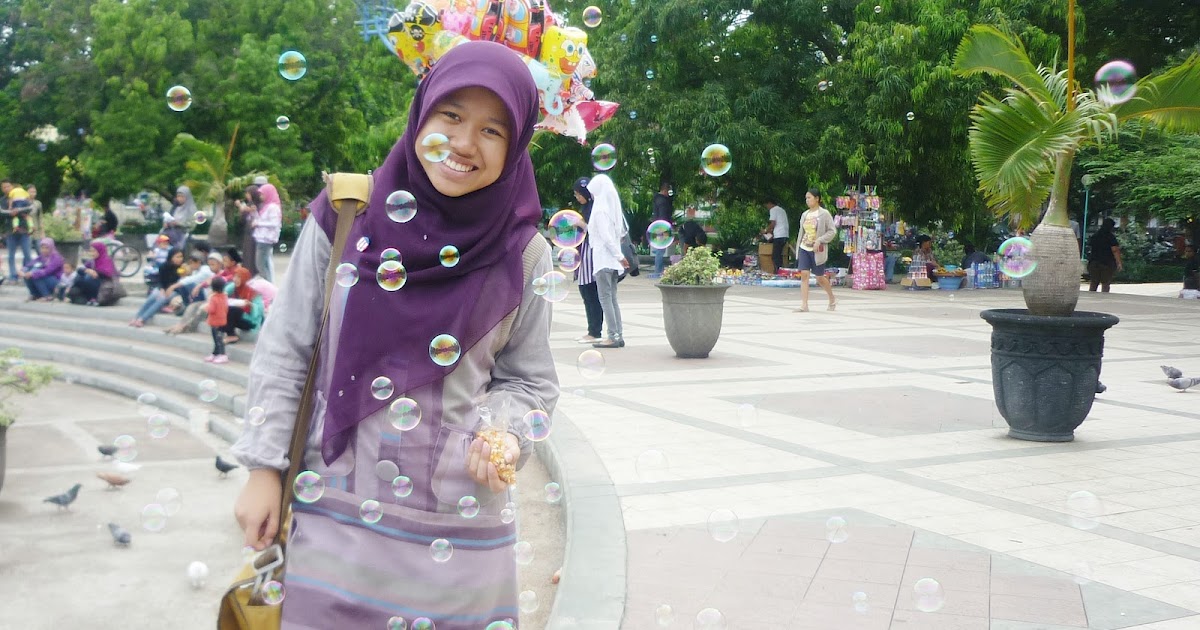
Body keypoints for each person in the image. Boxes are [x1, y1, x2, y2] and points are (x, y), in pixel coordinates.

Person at [231, 42, 558, 629]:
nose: (464, 143)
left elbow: (528, 382)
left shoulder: (525, 254)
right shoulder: (344, 215)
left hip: (462, 543)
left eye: (492, 130)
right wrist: (263, 469)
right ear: (422, 113)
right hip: (332, 520)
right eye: (451, 115)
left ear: (516, 147)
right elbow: (286, 350)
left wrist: (506, 433)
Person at [587, 174, 628, 348]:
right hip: (612, 263)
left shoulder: (600, 210)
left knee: (605, 299)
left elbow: (605, 238)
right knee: (612, 299)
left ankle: (612, 336)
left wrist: (620, 256)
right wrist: (618, 257)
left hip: (604, 260)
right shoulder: (611, 211)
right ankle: (618, 335)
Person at [794, 188, 838, 312]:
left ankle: (832, 298)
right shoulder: (805, 214)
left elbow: (832, 231)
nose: (807, 200)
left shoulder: (824, 214)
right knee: (804, 274)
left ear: (817, 198)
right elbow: (802, 232)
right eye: (806, 198)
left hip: (817, 250)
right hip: (804, 247)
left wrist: (820, 240)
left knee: (819, 277)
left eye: (809, 198)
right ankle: (804, 305)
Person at [572, 178, 603, 343]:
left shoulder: (596, 209)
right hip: (585, 255)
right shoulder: (586, 209)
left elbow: (599, 232)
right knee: (586, 292)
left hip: (593, 256)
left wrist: (583, 225)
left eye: (579, 194)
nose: (577, 197)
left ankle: (595, 332)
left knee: (591, 293)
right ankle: (592, 330)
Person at [129, 248, 184, 327]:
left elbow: (181, 283)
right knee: (153, 297)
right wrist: (162, 289)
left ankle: (142, 319)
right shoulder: (164, 266)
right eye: (177, 257)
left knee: (161, 299)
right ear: (171, 257)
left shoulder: (183, 268)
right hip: (162, 288)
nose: (180, 259)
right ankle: (136, 317)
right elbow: (160, 280)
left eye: (181, 257)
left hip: (175, 291)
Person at [221, 267, 264, 344]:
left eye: (239, 277)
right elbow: (223, 293)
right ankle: (226, 332)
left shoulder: (253, 292)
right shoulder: (234, 287)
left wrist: (250, 305)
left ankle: (231, 335)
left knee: (233, 310)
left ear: (245, 279)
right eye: (235, 276)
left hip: (250, 321)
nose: (235, 279)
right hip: (238, 318)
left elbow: (259, 310)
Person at [2, 179, 33, 284]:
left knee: (27, 254)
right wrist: (10, 214)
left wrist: (18, 212)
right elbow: (1, 214)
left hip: (24, 229)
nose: (6, 188)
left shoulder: (21, 196)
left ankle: (28, 275)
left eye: (8, 186)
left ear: (12, 186)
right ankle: (13, 276)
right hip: (10, 230)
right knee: (11, 255)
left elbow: (29, 208)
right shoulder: (3, 200)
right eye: (4, 187)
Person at [69, 241, 116, 305]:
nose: (92, 253)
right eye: (91, 251)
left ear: (100, 251)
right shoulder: (92, 261)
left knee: (89, 278)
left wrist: (95, 272)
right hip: (91, 284)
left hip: (103, 285)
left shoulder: (107, 260)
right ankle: (85, 298)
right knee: (79, 277)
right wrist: (87, 270)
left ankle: (93, 298)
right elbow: (80, 269)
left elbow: (106, 273)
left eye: (94, 251)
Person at [252, 183, 283, 282]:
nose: (261, 196)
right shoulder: (267, 206)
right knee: (263, 263)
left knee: (261, 264)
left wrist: (258, 223)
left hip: (266, 239)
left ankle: (267, 283)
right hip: (262, 238)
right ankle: (267, 283)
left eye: (262, 194)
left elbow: (274, 223)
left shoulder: (273, 207)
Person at [1087, 218, 1122, 292]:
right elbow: (1115, 250)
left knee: (1093, 283)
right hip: (1107, 263)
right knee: (1105, 283)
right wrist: (1119, 262)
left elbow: (1090, 247)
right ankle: (1104, 297)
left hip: (1094, 262)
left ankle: (1091, 296)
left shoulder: (1095, 235)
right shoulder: (1111, 237)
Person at [235, 184, 262, 277]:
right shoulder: (249, 204)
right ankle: (248, 271)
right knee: (247, 252)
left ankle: (253, 272)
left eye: (248, 193)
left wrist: (241, 207)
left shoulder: (258, 205)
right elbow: (242, 219)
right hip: (248, 231)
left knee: (252, 253)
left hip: (255, 232)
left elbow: (252, 212)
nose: (246, 195)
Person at [650, 181, 673, 278]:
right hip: (662, 227)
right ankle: (658, 271)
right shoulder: (663, 201)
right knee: (660, 251)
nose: (669, 194)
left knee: (658, 250)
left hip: (657, 226)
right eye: (668, 191)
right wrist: (665, 228)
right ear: (665, 190)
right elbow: (663, 215)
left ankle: (659, 270)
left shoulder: (657, 199)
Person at [206, 276, 230, 364]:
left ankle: (223, 355)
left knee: (218, 339)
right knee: (218, 338)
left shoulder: (213, 298)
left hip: (215, 322)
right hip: (222, 320)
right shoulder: (224, 296)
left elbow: (211, 310)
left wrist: (206, 307)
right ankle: (215, 353)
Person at [762, 199, 790, 272]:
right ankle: (780, 270)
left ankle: (778, 271)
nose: (767, 208)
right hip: (784, 235)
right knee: (779, 254)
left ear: (770, 203)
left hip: (779, 236)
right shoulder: (782, 210)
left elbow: (773, 223)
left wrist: (766, 231)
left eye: (767, 205)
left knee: (775, 256)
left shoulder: (773, 210)